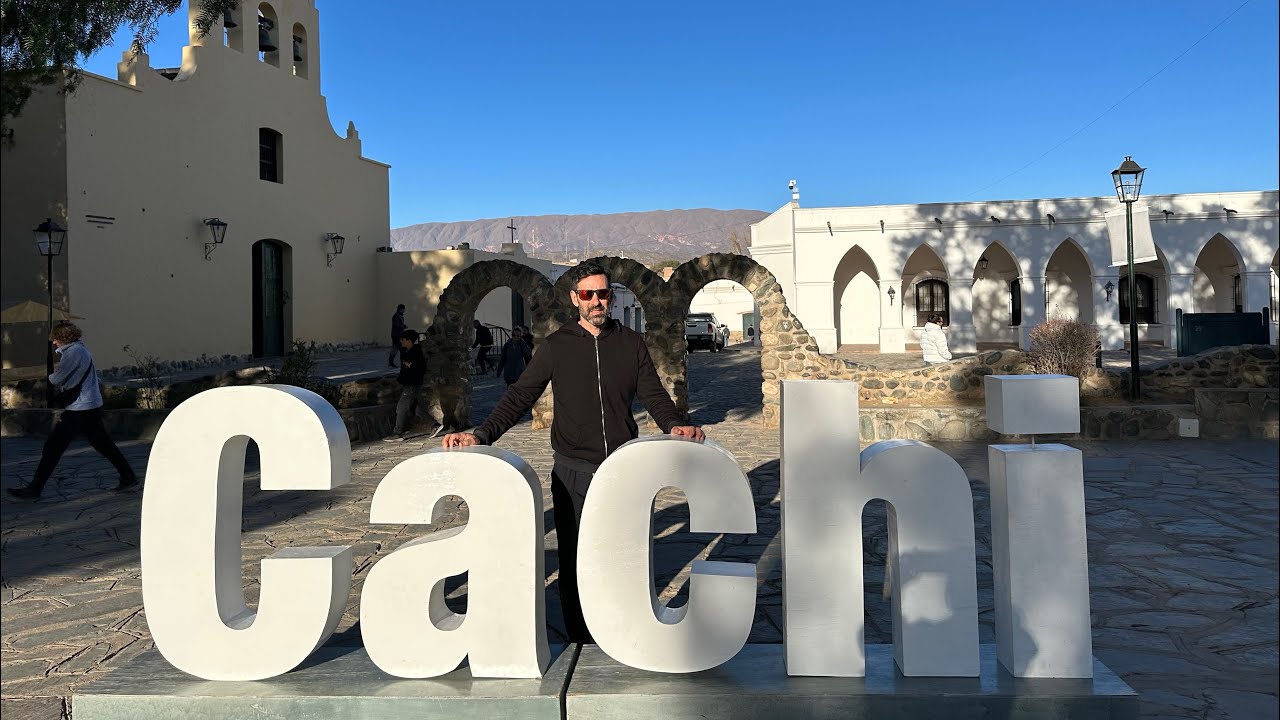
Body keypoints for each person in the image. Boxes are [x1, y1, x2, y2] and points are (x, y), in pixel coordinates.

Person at [442, 262, 704, 643]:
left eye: (603, 294)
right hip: (572, 472)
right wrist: (482, 434)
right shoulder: (556, 346)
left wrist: (673, 424)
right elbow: (519, 396)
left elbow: (654, 395)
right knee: (575, 559)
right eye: (588, 294)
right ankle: (582, 640)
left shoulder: (631, 343)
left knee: (620, 557)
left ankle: (620, 633)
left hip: (621, 469)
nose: (596, 301)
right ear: (575, 299)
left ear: (611, 298)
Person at [7, 322, 138, 499]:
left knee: (53, 447)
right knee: (103, 444)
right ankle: (128, 476)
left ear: (63, 338)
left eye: (55, 339)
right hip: (88, 405)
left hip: (79, 407)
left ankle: (35, 488)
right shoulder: (80, 350)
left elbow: (58, 379)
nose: (54, 343)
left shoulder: (74, 353)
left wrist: (50, 376)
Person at [385, 329, 426, 441]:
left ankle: (397, 433)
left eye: (402, 340)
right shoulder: (406, 353)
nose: (401, 342)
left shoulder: (416, 354)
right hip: (410, 384)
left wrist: (408, 381)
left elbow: (415, 370)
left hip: (411, 385)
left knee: (401, 408)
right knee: (419, 409)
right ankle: (435, 425)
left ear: (408, 340)